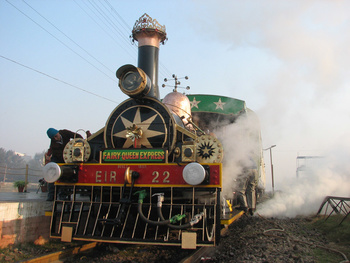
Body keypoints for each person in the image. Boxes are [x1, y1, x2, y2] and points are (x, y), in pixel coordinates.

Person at [45, 128, 83, 201]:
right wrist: (48, 155)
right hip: (57, 158)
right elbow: (51, 149)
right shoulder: (53, 141)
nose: (56, 138)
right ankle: (51, 196)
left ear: (58, 133)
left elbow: (77, 136)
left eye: (56, 136)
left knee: (66, 174)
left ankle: (63, 194)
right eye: (54, 138)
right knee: (52, 172)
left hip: (67, 157)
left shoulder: (65, 133)